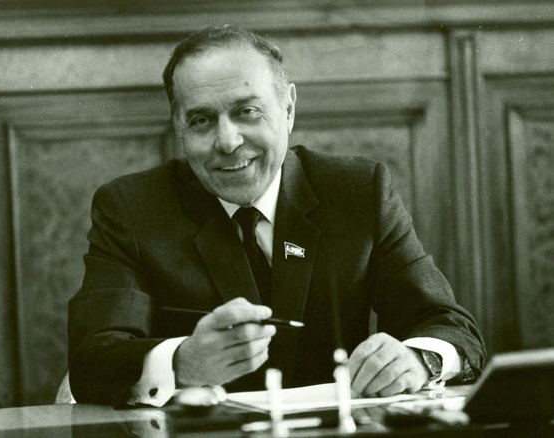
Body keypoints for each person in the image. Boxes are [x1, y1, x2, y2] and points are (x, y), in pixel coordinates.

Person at [68, 25, 486, 408]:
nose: (227, 141)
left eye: (247, 111)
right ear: (179, 128)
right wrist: (181, 362)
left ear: (288, 108)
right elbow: (92, 359)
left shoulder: (358, 191)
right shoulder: (132, 208)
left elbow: (449, 325)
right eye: (201, 120)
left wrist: (419, 359)